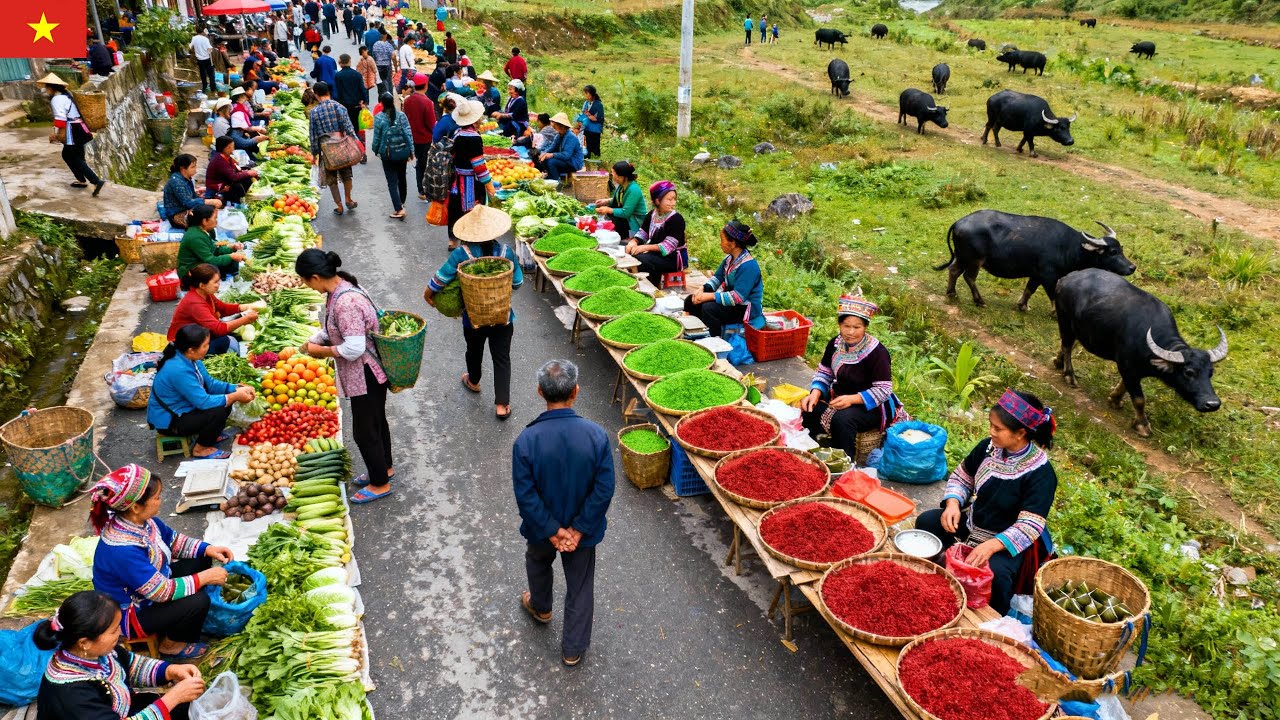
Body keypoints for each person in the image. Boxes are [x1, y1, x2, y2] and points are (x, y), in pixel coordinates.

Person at [916, 389, 1058, 614]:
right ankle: (937, 581)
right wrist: (953, 503)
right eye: (991, 424)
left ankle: (988, 620)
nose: (991, 432)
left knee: (997, 576)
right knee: (927, 523)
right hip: (974, 524)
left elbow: (1030, 525)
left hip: (1006, 542)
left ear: (1020, 433)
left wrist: (992, 546)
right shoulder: (988, 448)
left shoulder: (1041, 473)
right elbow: (963, 476)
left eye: (998, 428)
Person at [512, 359, 615, 667]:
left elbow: (525, 494)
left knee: (538, 561)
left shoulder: (526, 441)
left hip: (541, 530)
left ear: (540, 391)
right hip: (581, 536)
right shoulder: (596, 436)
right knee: (580, 585)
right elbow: (604, 488)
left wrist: (552, 530)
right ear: (576, 392)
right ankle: (572, 649)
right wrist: (578, 530)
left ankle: (541, 607)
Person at [295, 249, 395, 504]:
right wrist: (315, 340)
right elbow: (336, 328)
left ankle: (380, 483)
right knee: (376, 420)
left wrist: (321, 351)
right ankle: (384, 467)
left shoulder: (346, 302)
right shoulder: (342, 287)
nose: (307, 286)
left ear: (315, 277)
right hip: (371, 371)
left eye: (305, 281)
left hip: (365, 373)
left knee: (364, 431)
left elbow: (354, 348)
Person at [34, 590, 207, 719]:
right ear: (84, 642)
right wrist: (173, 697)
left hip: (125, 709)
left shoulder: (96, 652)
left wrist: (171, 670)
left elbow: (131, 665)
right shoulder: (71, 696)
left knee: (189, 708)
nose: (121, 632)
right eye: (114, 630)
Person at [424, 205, 522, 419]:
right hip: (503, 317)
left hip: (474, 317)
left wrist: (428, 295)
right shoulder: (506, 253)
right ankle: (502, 405)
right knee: (502, 358)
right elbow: (518, 283)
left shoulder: (462, 253)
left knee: (474, 349)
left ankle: (474, 380)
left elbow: (441, 278)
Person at [800, 295, 909, 461]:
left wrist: (852, 399)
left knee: (842, 420)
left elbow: (884, 389)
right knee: (809, 407)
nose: (850, 332)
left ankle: (842, 462)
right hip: (840, 395)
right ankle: (810, 448)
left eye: (857, 327)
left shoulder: (877, 353)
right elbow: (825, 371)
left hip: (872, 404)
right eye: (846, 326)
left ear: (865, 327)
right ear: (840, 325)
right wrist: (815, 392)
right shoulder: (836, 344)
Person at [147, 327, 255, 462]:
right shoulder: (178, 369)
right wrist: (235, 396)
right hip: (171, 422)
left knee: (225, 400)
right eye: (205, 345)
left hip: (185, 409)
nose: (208, 347)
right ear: (191, 349)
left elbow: (210, 384)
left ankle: (210, 435)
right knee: (219, 409)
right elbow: (203, 402)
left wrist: (236, 388)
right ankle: (201, 449)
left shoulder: (191, 359)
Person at [684, 220, 766, 336]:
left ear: (732, 244)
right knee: (691, 301)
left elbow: (738, 297)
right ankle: (697, 331)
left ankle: (715, 340)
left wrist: (709, 296)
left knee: (709, 309)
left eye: (722, 240)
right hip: (732, 302)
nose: (720, 244)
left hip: (744, 309)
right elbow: (717, 278)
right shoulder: (729, 259)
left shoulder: (749, 266)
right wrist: (702, 289)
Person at [168, 264, 260, 355]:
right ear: (202, 285)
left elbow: (222, 308)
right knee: (226, 341)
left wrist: (244, 307)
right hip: (185, 346)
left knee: (233, 336)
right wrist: (245, 320)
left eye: (218, 281)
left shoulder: (205, 294)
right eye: (215, 282)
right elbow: (218, 329)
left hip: (197, 335)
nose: (218, 285)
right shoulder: (194, 303)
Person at [41, 74, 104, 196]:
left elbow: (60, 118)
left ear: (52, 88)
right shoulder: (66, 95)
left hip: (72, 130)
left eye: (47, 87)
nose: (46, 90)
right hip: (79, 127)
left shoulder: (57, 99)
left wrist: (55, 134)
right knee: (76, 155)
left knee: (70, 155)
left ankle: (95, 181)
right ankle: (81, 180)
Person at [444, 100, 496, 247]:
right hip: (470, 182)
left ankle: (452, 240)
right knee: (471, 209)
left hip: (456, 179)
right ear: (474, 120)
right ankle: (469, 238)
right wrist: (489, 185)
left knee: (455, 209)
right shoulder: (474, 138)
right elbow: (478, 165)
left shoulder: (457, 134)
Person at [308, 81, 359, 214]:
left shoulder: (314, 112)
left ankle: (340, 206)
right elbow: (349, 128)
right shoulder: (340, 107)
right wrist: (357, 143)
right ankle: (348, 199)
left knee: (331, 179)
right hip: (342, 145)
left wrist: (314, 153)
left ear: (316, 94)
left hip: (326, 150)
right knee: (347, 175)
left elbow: (313, 135)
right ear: (328, 92)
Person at [626, 180, 686, 279]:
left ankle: (653, 286)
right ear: (658, 200)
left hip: (672, 258)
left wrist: (645, 247)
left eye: (674, 199)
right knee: (627, 248)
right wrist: (634, 241)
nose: (673, 203)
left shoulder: (676, 219)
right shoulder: (652, 214)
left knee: (642, 259)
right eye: (669, 199)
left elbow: (668, 247)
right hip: (656, 253)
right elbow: (643, 233)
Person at [370, 92, 415, 219]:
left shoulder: (379, 118)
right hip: (402, 152)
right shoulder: (401, 116)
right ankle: (401, 201)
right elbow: (408, 133)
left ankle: (399, 209)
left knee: (391, 182)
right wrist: (411, 151)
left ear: (382, 104)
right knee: (402, 177)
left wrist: (375, 150)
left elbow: (377, 138)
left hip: (388, 154)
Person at [177, 204, 244, 279]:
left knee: (229, 257)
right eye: (215, 218)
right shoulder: (195, 237)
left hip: (201, 264)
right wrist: (231, 257)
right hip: (190, 272)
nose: (216, 221)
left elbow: (214, 249)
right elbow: (211, 260)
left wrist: (232, 247)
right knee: (225, 261)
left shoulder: (204, 231)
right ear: (205, 221)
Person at [163, 155, 221, 229]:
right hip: (176, 215)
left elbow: (193, 197)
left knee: (210, 210)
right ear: (183, 169)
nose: (195, 169)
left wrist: (203, 200)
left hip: (187, 209)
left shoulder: (187, 178)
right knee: (204, 218)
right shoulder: (176, 182)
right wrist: (208, 201)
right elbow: (188, 203)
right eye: (192, 167)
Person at [403, 74, 437, 200]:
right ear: (426, 85)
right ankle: (423, 190)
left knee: (419, 163)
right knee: (424, 164)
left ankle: (421, 189)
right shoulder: (427, 102)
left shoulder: (407, 100)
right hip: (425, 139)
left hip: (412, 137)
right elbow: (431, 124)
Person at [593, 160, 645, 239]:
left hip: (634, 220)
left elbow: (626, 212)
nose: (612, 175)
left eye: (613, 173)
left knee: (612, 215)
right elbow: (619, 199)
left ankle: (629, 238)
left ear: (621, 176)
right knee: (611, 215)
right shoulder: (622, 185)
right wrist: (606, 201)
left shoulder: (634, 190)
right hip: (627, 217)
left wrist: (608, 209)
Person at [205, 136, 260, 207]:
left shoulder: (225, 157)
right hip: (216, 189)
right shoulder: (219, 160)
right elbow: (233, 177)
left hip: (225, 184)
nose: (233, 150)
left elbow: (236, 170)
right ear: (226, 148)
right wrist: (248, 173)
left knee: (246, 178)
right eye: (231, 147)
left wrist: (247, 172)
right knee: (239, 185)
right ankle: (233, 203)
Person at [334, 53, 367, 157]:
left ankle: (350, 152)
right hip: (356, 106)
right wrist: (364, 101)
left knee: (345, 129)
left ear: (341, 63)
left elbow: (337, 93)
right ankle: (361, 153)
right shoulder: (357, 75)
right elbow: (363, 89)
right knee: (357, 128)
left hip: (343, 107)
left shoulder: (338, 76)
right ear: (349, 61)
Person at [535, 113, 582, 183]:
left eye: (555, 125)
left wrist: (551, 155)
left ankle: (556, 182)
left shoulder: (571, 137)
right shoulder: (559, 135)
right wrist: (544, 153)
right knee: (542, 159)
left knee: (551, 161)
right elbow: (552, 147)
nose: (553, 127)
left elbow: (566, 155)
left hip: (572, 163)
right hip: (565, 161)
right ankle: (550, 178)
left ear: (561, 126)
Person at [579, 85, 604, 159]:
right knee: (586, 148)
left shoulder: (598, 105)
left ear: (591, 94)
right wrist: (589, 116)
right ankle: (587, 163)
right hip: (587, 128)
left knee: (595, 149)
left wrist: (588, 115)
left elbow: (597, 119)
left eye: (587, 94)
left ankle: (596, 165)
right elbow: (584, 114)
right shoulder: (586, 103)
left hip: (595, 130)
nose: (586, 95)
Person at [191, 28, 215, 94]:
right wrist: (210, 50)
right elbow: (209, 49)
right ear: (203, 32)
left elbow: (190, 46)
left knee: (203, 73)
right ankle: (213, 87)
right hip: (207, 58)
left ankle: (204, 87)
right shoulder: (205, 39)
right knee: (211, 74)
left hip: (199, 59)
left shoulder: (194, 38)